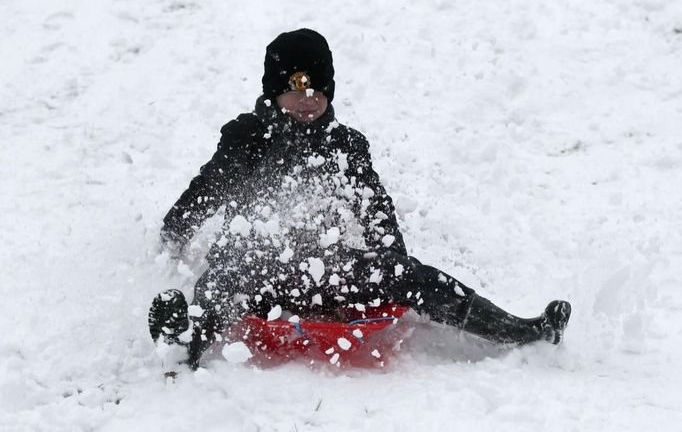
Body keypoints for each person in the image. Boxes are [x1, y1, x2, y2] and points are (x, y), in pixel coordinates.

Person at [148, 28, 571, 370]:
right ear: (273, 93)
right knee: (226, 275)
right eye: (296, 90)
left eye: (317, 90)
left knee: (417, 275)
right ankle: (183, 341)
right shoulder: (247, 139)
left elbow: (376, 211)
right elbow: (207, 189)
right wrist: (174, 233)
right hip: (257, 272)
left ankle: (520, 330)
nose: (308, 100)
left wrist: (394, 267)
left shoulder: (345, 145)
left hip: (328, 272)